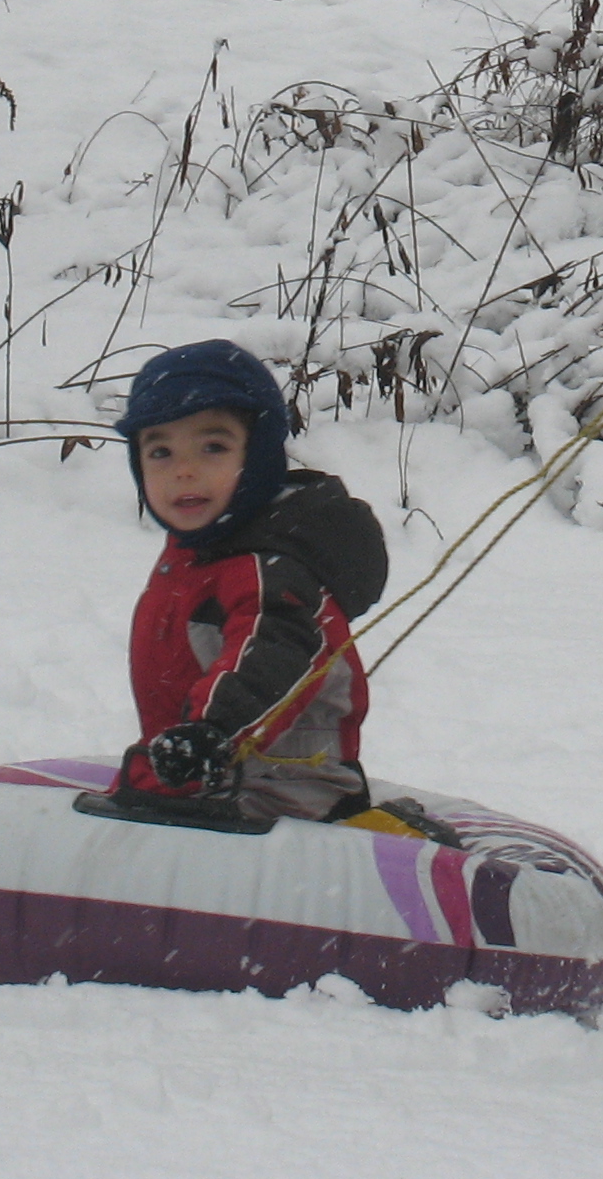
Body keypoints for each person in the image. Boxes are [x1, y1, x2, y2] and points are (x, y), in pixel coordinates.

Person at [102, 339, 389, 824]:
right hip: (207, 772)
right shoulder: (199, 551)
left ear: (257, 453)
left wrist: (212, 732)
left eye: (213, 447)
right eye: (161, 452)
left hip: (282, 791)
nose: (184, 471)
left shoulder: (265, 565)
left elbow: (272, 651)